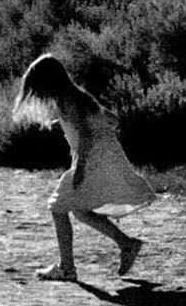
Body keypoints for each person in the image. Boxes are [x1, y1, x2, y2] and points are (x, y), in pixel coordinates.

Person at [13, 54, 155, 282]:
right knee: (80, 210)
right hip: (105, 156)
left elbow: (86, 136)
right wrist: (69, 124)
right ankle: (126, 244)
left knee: (58, 208)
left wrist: (80, 168)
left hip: (91, 159)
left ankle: (67, 268)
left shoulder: (67, 101)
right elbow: (111, 119)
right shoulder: (78, 96)